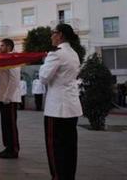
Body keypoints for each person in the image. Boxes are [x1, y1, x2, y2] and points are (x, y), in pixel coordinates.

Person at [39, 23, 83, 180]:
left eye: (53, 33)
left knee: (55, 147)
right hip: (71, 107)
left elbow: (44, 77)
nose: (51, 36)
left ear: (61, 35)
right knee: (69, 147)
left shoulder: (56, 54)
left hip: (56, 108)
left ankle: (57, 176)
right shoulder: (73, 53)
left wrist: (45, 61)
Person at [0, 38, 21, 159]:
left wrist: (8, 96)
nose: (0, 48)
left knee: (10, 124)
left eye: (2, 46)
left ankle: (14, 149)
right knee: (5, 125)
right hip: (3, 98)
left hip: (9, 99)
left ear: (9, 47)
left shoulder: (13, 58)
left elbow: (14, 79)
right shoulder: (5, 59)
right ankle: (8, 147)